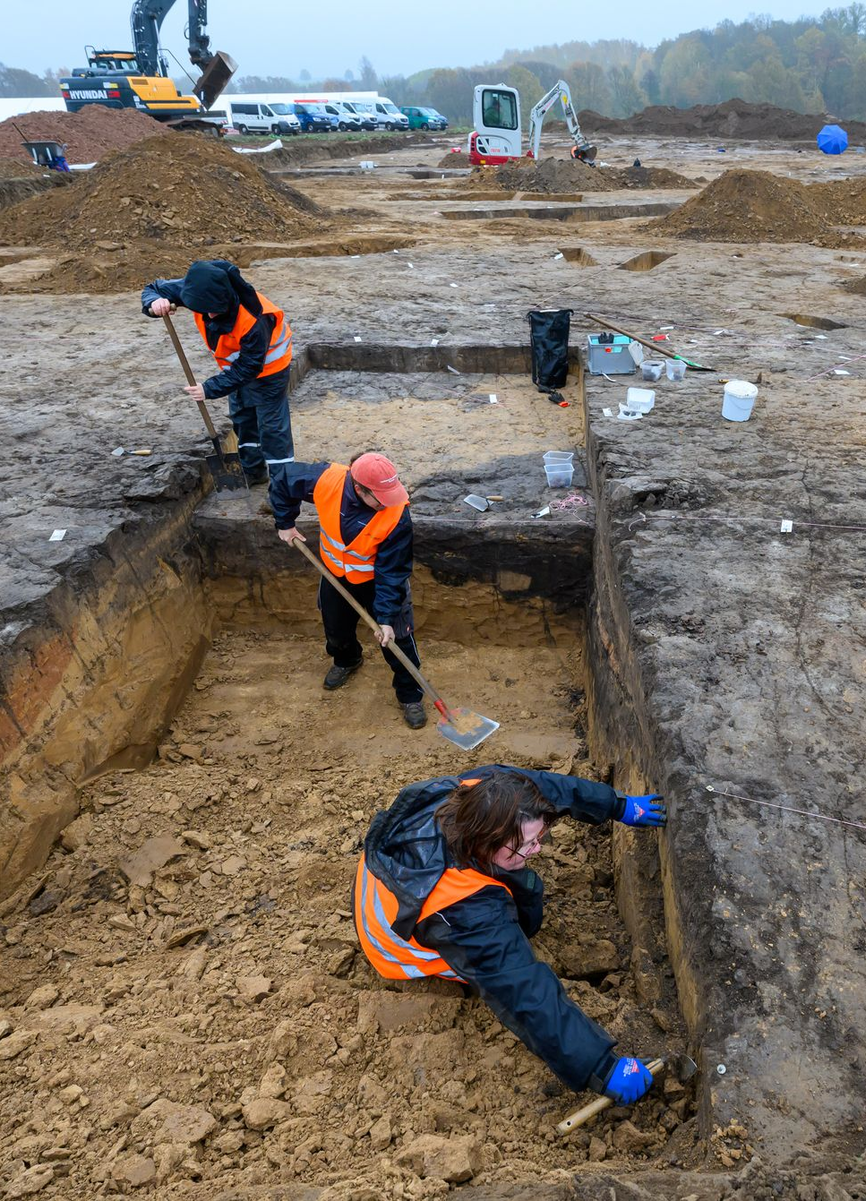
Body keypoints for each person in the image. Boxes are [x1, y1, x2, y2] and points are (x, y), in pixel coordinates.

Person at [354, 766, 668, 1105]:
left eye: (539, 837)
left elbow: (549, 788)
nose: (538, 850)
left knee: (523, 889)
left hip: (393, 879)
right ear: (484, 845)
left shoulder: (481, 791)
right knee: (502, 954)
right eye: (525, 846)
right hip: (397, 942)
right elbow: (523, 991)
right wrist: (601, 1067)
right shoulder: (464, 911)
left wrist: (617, 806)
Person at [271, 452, 426, 728]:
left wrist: (386, 617)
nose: (387, 503)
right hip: (334, 574)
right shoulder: (326, 480)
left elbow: (392, 571)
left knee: (397, 638)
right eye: (380, 498)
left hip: (377, 583)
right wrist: (285, 523)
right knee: (336, 627)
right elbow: (283, 480)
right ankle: (347, 659)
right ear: (359, 488)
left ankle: (410, 694)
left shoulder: (397, 513)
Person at [142, 259, 295, 486]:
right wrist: (155, 303)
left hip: (271, 372)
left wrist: (209, 389)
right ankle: (253, 472)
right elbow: (152, 289)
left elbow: (249, 367)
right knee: (243, 420)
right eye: (205, 311)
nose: (209, 316)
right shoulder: (195, 289)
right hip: (235, 370)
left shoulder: (255, 318)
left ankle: (284, 487)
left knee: (272, 429)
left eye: (214, 311)